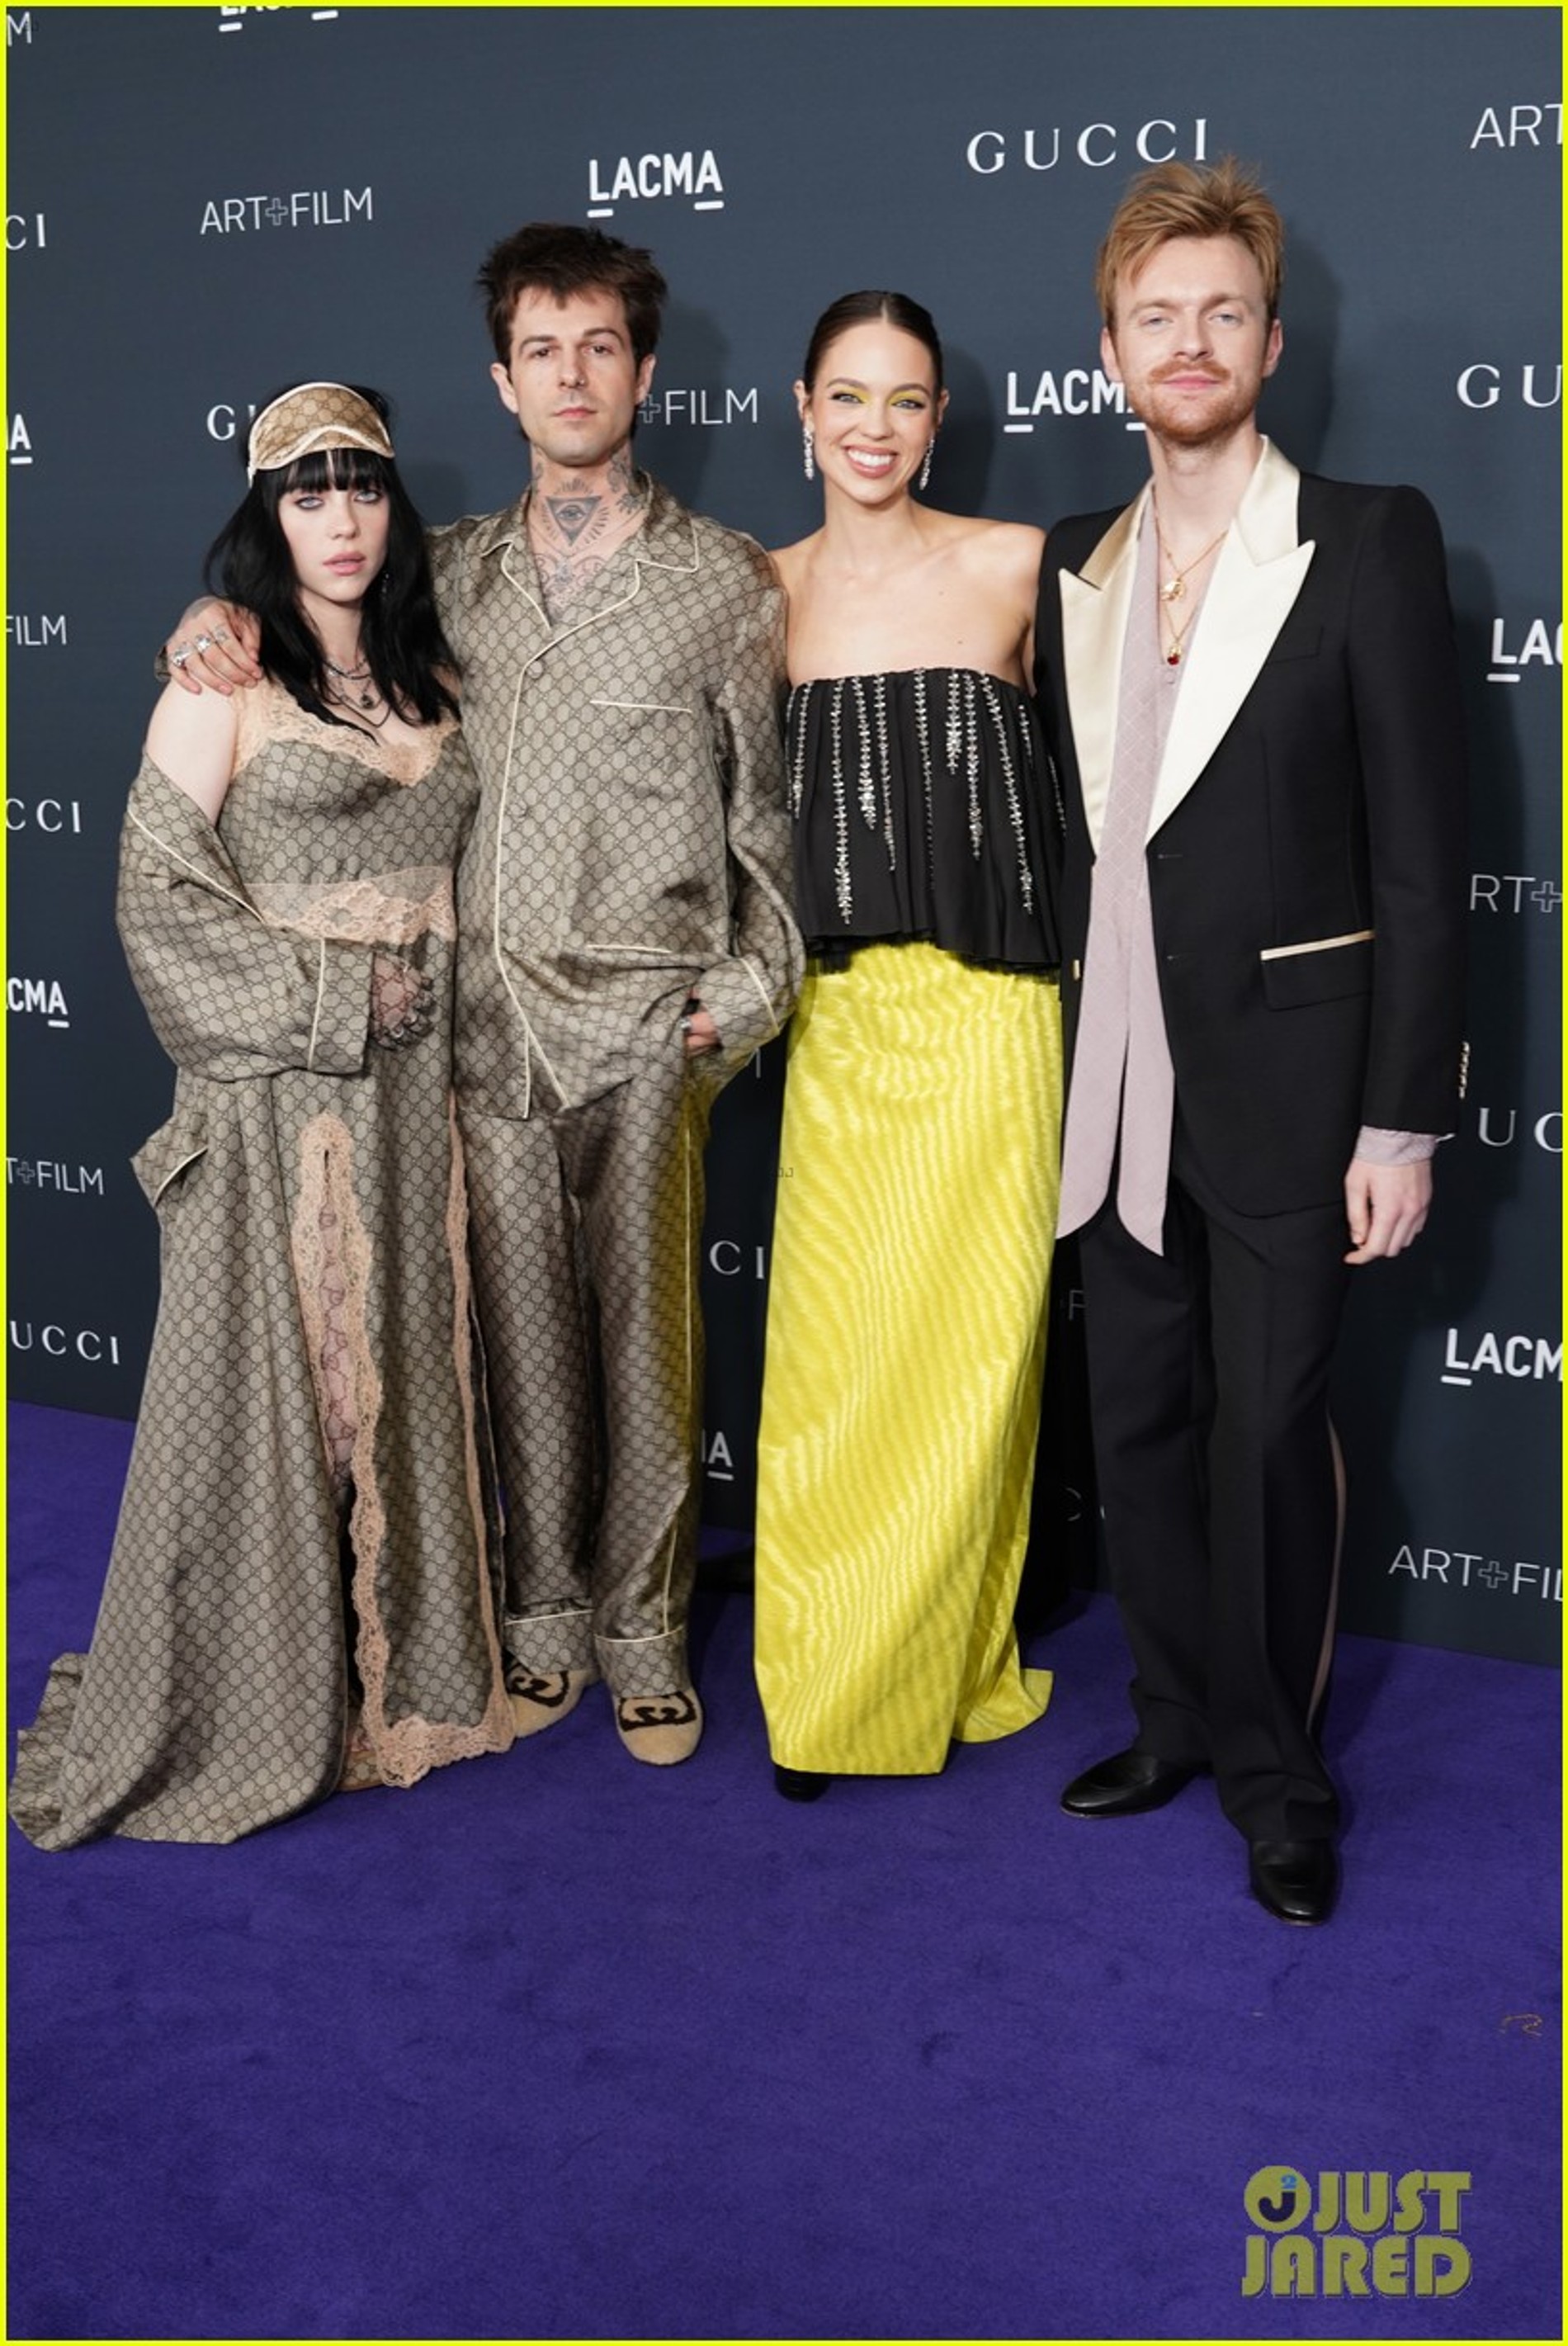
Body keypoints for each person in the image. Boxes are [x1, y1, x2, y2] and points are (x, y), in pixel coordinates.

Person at [158, 229, 802, 1767]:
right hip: (479, 1037)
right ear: (503, 382)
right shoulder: (442, 574)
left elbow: (764, 832)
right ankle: (543, 1620)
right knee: (514, 1355)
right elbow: (303, 625)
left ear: (644, 372)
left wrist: (735, 1001)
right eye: (542, 351)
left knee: (647, 1354)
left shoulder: (725, 583)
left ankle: (645, 1634)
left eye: (600, 347)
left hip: (645, 1033)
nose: (572, 377)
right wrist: (208, 619)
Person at [1032, 161, 1468, 1922]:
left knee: (1267, 1436)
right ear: (1111, 354)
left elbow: (1421, 861)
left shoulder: (1366, 537)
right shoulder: (1073, 558)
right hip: (1114, 1079)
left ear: (1272, 343)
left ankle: (1277, 1778)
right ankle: (1171, 1719)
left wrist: (1400, 1119)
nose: (1190, 341)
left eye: (1223, 311)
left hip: (1297, 1087)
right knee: (1136, 1424)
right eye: (1157, 317)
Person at [10, 383, 514, 1847]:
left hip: (418, 1109)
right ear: (266, 516)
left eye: (363, 487)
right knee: (273, 1397)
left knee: (400, 1377)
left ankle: (403, 1684)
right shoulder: (219, 682)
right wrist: (346, 992)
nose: (341, 519)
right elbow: (158, 902)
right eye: (307, 492)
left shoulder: (440, 677)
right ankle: (259, 1701)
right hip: (272, 1101)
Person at [752, 292, 1065, 1800]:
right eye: (848, 396)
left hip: (997, 1019)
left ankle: (936, 1662)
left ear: (939, 420)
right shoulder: (757, 592)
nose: (873, 427)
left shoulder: (1019, 566)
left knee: (968, 1359)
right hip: (836, 1023)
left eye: (906, 399)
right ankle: (828, 1686)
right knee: (832, 1365)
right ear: (802, 411)